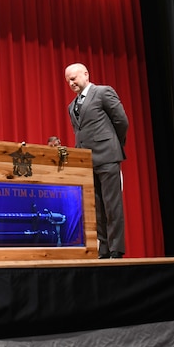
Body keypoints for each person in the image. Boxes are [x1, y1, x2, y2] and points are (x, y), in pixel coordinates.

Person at [64, 63, 129, 259]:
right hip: (87, 161)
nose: (71, 82)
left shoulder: (103, 92)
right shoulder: (71, 106)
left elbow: (121, 121)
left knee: (112, 205)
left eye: (74, 78)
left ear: (86, 74)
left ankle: (116, 249)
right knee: (97, 209)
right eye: (68, 80)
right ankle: (104, 248)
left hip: (107, 156)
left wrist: (113, 144)